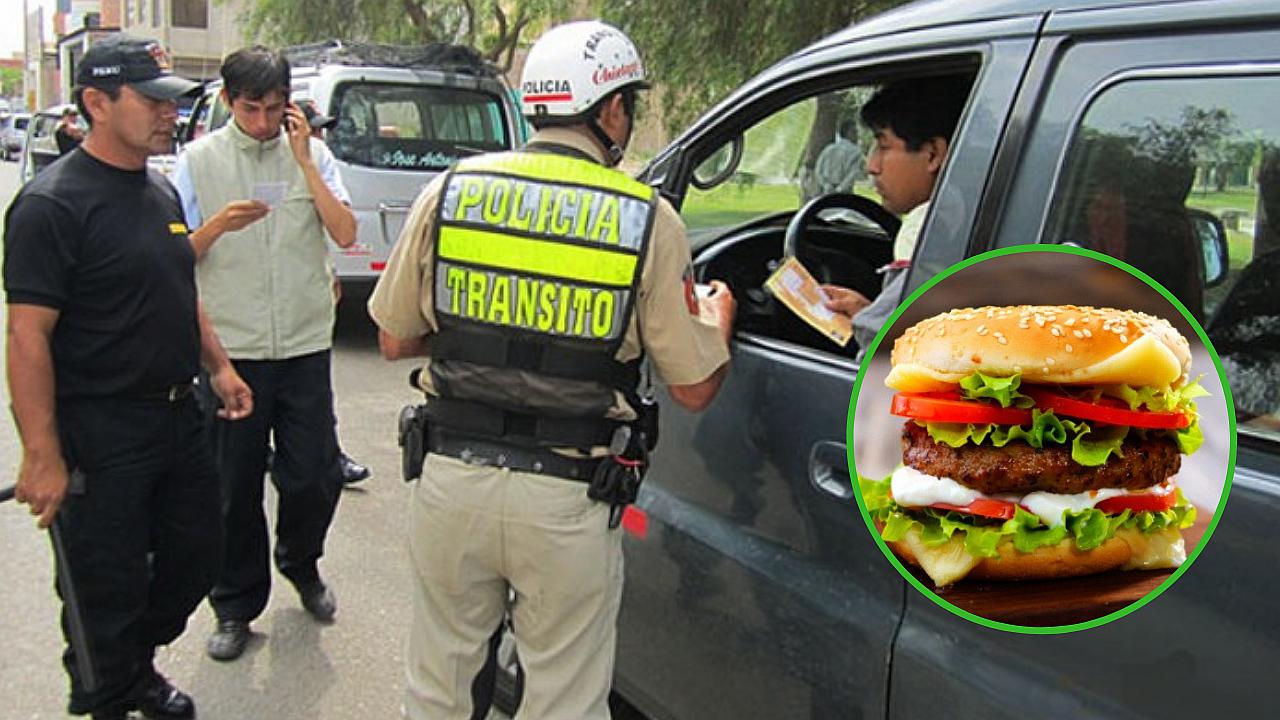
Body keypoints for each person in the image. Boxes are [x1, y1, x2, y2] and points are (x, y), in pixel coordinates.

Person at [368, 20, 737, 720]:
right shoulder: (646, 218)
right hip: (568, 499)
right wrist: (720, 322)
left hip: (451, 482)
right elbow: (692, 387)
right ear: (609, 111)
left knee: (438, 690)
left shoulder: (451, 190)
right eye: (627, 101)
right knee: (564, 700)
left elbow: (393, 338)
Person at [3, 35, 253, 720]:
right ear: (96, 102)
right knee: (102, 585)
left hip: (178, 418)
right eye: (151, 101)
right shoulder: (51, 206)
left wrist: (220, 366)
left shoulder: (159, 189)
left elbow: (177, 286)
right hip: (101, 432)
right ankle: (111, 690)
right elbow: (27, 336)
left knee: (197, 558)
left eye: (170, 101)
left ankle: (126, 667)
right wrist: (42, 453)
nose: (168, 114)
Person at [172, 45, 358, 662]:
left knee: (315, 474)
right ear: (228, 101)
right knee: (232, 485)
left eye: (274, 109)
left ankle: (301, 563)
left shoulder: (314, 155)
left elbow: (347, 233)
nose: (261, 122)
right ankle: (233, 604)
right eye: (250, 108)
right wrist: (218, 225)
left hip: (303, 345)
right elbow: (172, 263)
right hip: (233, 350)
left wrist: (304, 160)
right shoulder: (196, 163)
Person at [820, 74, 972, 351]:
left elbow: (885, 356)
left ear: (933, 155)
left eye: (883, 146)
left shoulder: (924, 231)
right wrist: (873, 311)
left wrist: (872, 324)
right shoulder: (973, 221)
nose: (871, 165)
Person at [812, 118, 864, 196]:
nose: (857, 135)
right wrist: (839, 189)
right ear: (848, 133)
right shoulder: (856, 151)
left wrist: (826, 185)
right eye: (855, 132)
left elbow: (818, 170)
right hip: (845, 193)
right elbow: (852, 174)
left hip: (826, 192)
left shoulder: (828, 149)